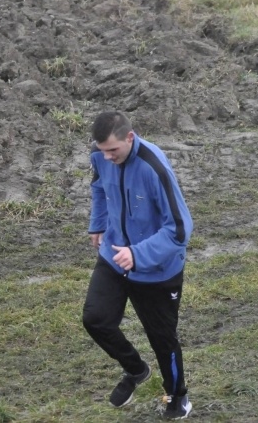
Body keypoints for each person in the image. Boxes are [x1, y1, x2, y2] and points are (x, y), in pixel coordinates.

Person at [82, 111, 193, 419]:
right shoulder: (100, 155)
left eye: (112, 150)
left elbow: (181, 229)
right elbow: (99, 188)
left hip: (156, 269)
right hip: (115, 256)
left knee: (162, 339)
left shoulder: (153, 166)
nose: (106, 156)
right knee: (96, 319)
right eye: (102, 150)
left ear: (129, 138)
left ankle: (178, 395)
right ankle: (136, 370)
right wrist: (98, 225)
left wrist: (139, 254)